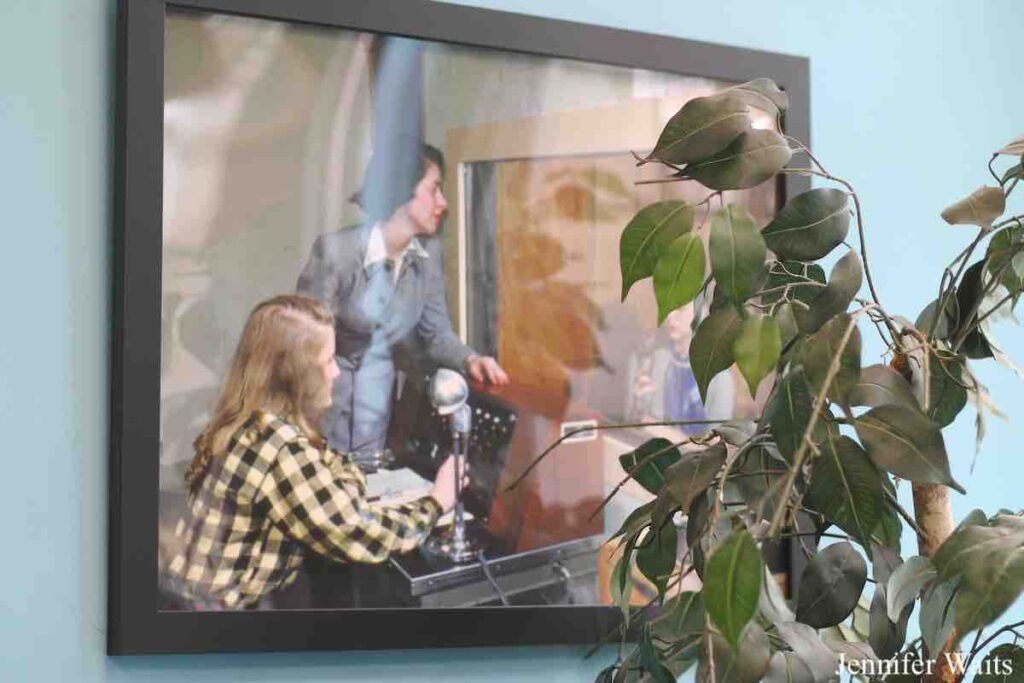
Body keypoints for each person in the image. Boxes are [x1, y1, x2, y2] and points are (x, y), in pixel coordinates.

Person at [164, 294, 464, 610]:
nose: (336, 372)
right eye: (329, 360)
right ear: (296, 373)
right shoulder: (277, 447)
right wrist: (437, 501)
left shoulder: (252, 418)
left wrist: (341, 493)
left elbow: (334, 472)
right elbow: (359, 534)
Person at [296, 142, 508, 461]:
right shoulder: (336, 253)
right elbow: (303, 347)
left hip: (378, 402)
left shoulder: (428, 253)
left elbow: (436, 334)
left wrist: (470, 360)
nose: (443, 203)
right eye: (434, 190)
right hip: (323, 401)